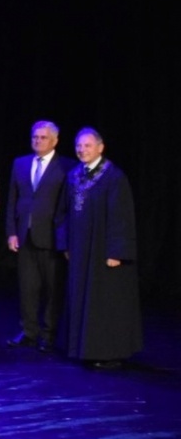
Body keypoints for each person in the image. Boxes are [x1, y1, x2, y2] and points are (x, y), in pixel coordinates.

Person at [60, 129, 141, 368]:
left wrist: (117, 251)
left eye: (87, 145)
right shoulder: (74, 175)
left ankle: (108, 353)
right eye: (79, 145)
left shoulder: (113, 177)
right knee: (82, 298)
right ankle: (83, 349)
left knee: (104, 300)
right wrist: (66, 243)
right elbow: (64, 212)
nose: (82, 150)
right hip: (80, 249)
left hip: (103, 251)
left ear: (100, 147)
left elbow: (121, 216)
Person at [6, 121, 70, 351]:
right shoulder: (20, 163)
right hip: (25, 235)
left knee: (53, 290)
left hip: (52, 238)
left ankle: (49, 334)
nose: (38, 141)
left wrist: (64, 240)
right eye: (35, 137)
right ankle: (29, 331)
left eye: (43, 137)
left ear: (54, 141)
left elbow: (67, 207)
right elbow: (13, 199)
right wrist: (12, 232)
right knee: (27, 288)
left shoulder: (66, 166)